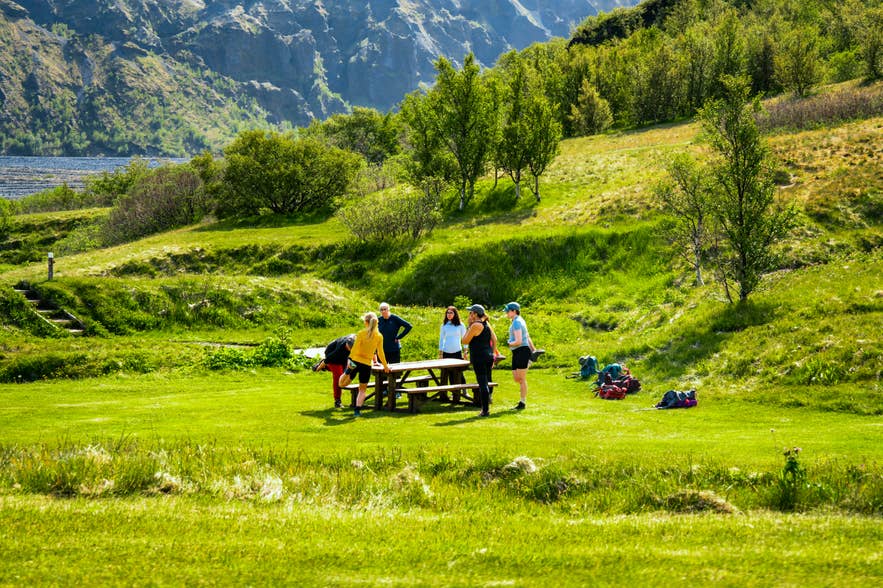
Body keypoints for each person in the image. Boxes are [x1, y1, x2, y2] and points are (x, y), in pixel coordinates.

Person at [350, 312, 390, 417]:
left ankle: (344, 376)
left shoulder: (361, 333)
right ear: (377, 323)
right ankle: (357, 410)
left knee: (342, 382)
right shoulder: (379, 336)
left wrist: (350, 359)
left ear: (365, 322)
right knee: (362, 389)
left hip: (355, 361)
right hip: (366, 365)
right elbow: (381, 353)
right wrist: (385, 366)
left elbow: (355, 349)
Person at [462, 304, 497, 417]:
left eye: (470, 313)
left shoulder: (475, 325)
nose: (469, 315)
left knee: (482, 383)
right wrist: (492, 352)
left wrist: (468, 326)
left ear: (475, 314)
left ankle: (485, 410)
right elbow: (494, 339)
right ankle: (486, 407)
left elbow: (465, 340)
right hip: (488, 355)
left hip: (479, 357)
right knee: (486, 381)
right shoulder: (486, 324)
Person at [504, 301, 534, 410]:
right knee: (516, 378)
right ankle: (531, 360)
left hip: (521, 351)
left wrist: (509, 343)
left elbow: (519, 341)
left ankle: (522, 403)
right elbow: (528, 336)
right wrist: (534, 350)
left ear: (514, 311)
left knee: (521, 378)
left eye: (507, 311)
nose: (506, 313)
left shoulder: (517, 322)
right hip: (517, 352)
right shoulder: (517, 321)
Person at [315, 333, 355, 408]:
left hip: (343, 358)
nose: (351, 350)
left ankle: (326, 367)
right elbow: (328, 359)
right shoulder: (338, 350)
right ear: (347, 344)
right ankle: (337, 401)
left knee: (345, 374)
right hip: (331, 354)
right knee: (338, 377)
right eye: (350, 348)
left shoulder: (356, 343)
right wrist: (319, 367)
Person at [438, 306, 467, 396]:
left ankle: (464, 391)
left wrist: (465, 351)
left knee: (458, 372)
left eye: (451, 313)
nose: (449, 315)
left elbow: (464, 338)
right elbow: (441, 339)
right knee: (448, 372)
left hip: (457, 351)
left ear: (455, 314)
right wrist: (440, 353)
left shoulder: (460, 325)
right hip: (446, 352)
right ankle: (452, 392)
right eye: (448, 313)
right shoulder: (444, 325)